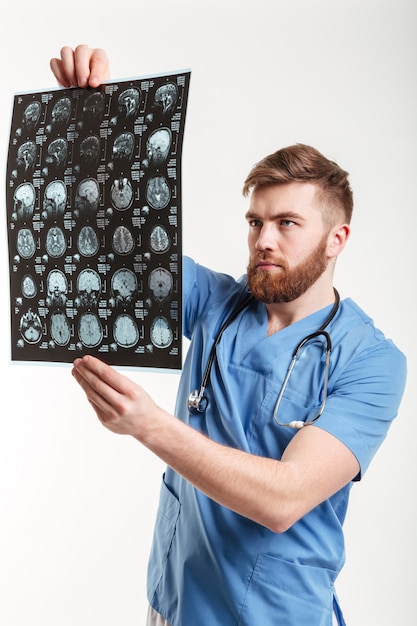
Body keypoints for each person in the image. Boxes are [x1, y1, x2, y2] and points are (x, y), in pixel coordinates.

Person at [50, 45, 407, 626]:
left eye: (287, 223)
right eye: (256, 222)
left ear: (337, 238)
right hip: (172, 601)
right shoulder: (216, 302)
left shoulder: (371, 362)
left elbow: (284, 498)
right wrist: (86, 120)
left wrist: (147, 425)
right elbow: (118, 244)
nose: (264, 239)